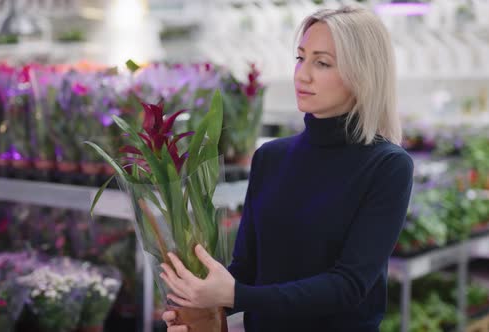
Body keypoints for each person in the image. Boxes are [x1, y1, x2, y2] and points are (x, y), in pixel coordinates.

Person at [159, 5, 414, 332]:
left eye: (321, 63)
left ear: (363, 74)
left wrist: (236, 295)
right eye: (300, 58)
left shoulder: (388, 166)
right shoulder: (270, 158)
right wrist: (199, 302)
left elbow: (349, 285)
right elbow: (248, 269)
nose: (302, 74)